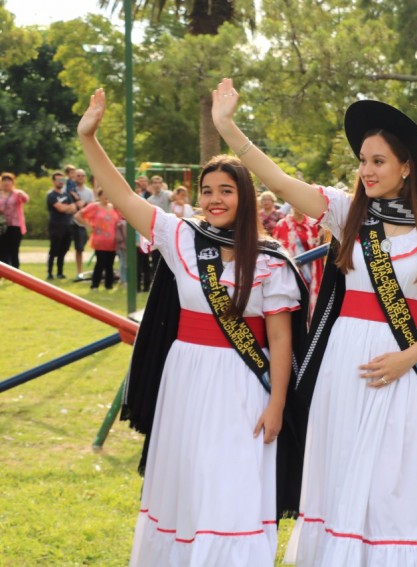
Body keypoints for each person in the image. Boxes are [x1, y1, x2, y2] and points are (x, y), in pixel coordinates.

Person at [211, 78, 417, 566]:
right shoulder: (349, 213)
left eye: (378, 161)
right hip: (342, 360)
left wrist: (408, 358)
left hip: (401, 363)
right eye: (363, 161)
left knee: (393, 479)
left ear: (405, 167)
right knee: (339, 467)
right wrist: (230, 129)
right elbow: (282, 182)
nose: (366, 170)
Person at [78, 88, 306, 566]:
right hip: (184, 380)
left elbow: (282, 340)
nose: (215, 199)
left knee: (233, 487)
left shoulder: (270, 261)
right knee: (185, 483)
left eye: (226, 190)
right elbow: (120, 195)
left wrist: (278, 403)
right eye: (207, 190)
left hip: (244, 385)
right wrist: (89, 137)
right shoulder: (180, 237)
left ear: (245, 197)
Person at [271, 205, 324, 318]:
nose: (298, 207)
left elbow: (321, 244)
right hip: (289, 271)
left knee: (310, 302)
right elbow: (275, 249)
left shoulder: (312, 225)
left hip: (310, 271)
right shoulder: (282, 224)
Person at [75, 189, 123, 290]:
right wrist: (88, 225)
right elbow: (78, 215)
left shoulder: (114, 208)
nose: (106, 197)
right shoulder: (94, 206)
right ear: (99, 196)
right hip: (100, 240)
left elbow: (121, 219)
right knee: (100, 262)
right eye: (104, 195)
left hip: (113, 240)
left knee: (110, 264)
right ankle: (95, 284)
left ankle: (108, 285)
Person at [46, 171, 79, 280]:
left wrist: (66, 208)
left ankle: (60, 272)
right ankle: (50, 273)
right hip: (56, 226)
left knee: (64, 249)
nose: (61, 182)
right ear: (53, 181)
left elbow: (74, 208)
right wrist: (66, 208)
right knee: (54, 250)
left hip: (67, 226)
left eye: (62, 180)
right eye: (58, 180)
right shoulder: (51, 195)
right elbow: (59, 208)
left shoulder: (67, 195)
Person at [0, 172, 30, 268]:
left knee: (14, 249)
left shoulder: (17, 193)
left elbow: (26, 199)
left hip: (15, 225)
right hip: (2, 226)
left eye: (9, 180)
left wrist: (22, 194)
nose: (6, 183)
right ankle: (4, 272)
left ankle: (15, 271)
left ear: (13, 182)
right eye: (4, 180)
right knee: (2, 249)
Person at [69, 168, 94, 279]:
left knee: (81, 247)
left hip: (83, 223)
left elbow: (92, 205)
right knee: (70, 248)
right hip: (71, 222)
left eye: (82, 176)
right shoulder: (69, 190)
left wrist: (85, 203)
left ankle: (81, 271)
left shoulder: (89, 192)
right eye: (78, 175)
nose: (80, 177)